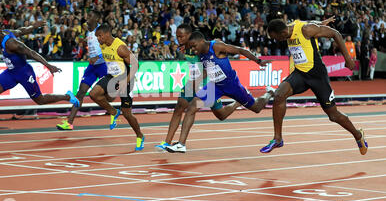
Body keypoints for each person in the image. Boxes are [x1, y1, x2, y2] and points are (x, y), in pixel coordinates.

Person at [261, 18, 367, 155]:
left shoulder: (306, 30)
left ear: (282, 32)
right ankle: (278, 138)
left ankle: (358, 135)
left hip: (317, 76)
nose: (277, 41)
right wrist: (321, 22)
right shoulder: (293, 27)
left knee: (333, 115)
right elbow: (309, 21)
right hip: (300, 73)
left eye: (276, 38)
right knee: (279, 95)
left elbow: (336, 34)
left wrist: (347, 59)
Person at [166, 31, 275, 153]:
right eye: (191, 47)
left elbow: (240, 50)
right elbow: (207, 71)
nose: (193, 49)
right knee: (192, 107)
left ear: (201, 41)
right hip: (215, 86)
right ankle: (181, 144)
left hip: (232, 85)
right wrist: (194, 83)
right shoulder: (201, 54)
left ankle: (269, 93)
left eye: (194, 46)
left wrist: (258, 61)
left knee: (256, 108)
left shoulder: (217, 46)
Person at [0, 21, 80, 139]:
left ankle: (68, 96)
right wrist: (33, 27)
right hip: (11, 72)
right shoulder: (7, 33)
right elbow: (22, 30)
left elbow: (31, 53)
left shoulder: (11, 43)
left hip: (24, 73)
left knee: (40, 100)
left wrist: (48, 65)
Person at [155, 24, 240, 152]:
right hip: (192, 82)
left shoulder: (201, 48)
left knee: (221, 114)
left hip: (208, 83)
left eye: (181, 36)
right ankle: (167, 142)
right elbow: (170, 44)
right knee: (179, 107)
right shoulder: (183, 47)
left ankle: (238, 102)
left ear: (190, 35)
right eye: (177, 36)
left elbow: (209, 65)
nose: (178, 39)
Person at [89, 23, 145, 151]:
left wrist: (125, 81)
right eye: (97, 36)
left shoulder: (121, 47)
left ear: (107, 34)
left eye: (99, 36)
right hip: (112, 77)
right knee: (94, 94)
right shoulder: (103, 44)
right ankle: (113, 111)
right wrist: (96, 58)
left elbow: (136, 65)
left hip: (125, 78)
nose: (98, 39)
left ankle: (139, 135)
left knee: (127, 114)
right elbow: (106, 53)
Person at [56, 10, 108, 130]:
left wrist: (97, 57)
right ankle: (69, 123)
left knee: (108, 94)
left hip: (104, 65)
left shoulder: (103, 32)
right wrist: (83, 42)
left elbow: (109, 49)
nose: (87, 18)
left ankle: (114, 111)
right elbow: (91, 43)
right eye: (87, 15)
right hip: (92, 67)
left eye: (89, 16)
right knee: (81, 92)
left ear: (96, 19)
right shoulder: (89, 32)